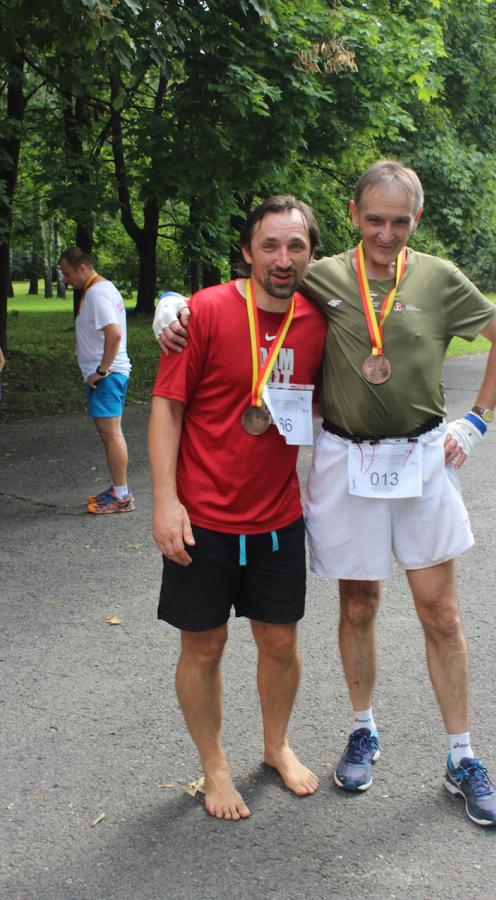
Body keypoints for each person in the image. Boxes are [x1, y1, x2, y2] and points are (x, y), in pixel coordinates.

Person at [153, 160, 496, 828]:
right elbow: (239, 302)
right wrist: (170, 307)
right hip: (338, 463)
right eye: (374, 219)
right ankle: (357, 731)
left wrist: (478, 420)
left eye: (399, 221)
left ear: (416, 217)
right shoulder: (318, 279)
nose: (386, 233)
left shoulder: (421, 280)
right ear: (354, 215)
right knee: (354, 605)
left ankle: (461, 756)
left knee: (439, 613)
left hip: (413, 461)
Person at [148, 196, 327, 821]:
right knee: (204, 647)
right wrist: (165, 501)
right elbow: (167, 407)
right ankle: (215, 765)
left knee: (280, 642)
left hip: (277, 517)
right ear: (248, 251)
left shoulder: (319, 320)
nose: (282, 258)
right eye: (269, 245)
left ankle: (276, 746)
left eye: (296, 246)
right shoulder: (202, 313)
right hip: (202, 520)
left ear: (311, 254)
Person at [58, 247, 134, 514]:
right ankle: (118, 490)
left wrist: (102, 370)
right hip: (108, 375)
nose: (66, 279)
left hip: (107, 377)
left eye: (67, 273)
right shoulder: (99, 290)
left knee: (111, 434)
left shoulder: (97, 293)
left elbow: (114, 334)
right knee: (109, 434)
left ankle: (122, 496)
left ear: (82, 268)